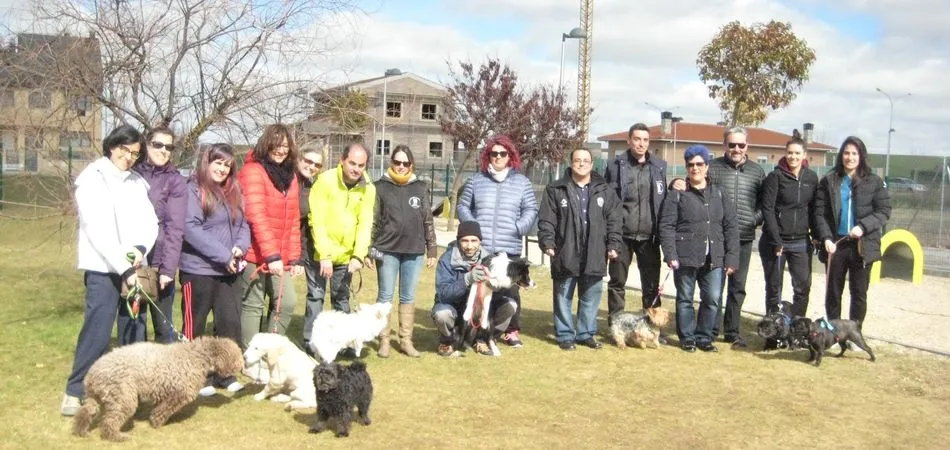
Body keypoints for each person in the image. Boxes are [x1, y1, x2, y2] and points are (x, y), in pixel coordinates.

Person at [62, 125, 159, 416]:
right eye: (124, 150)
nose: (128, 157)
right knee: (99, 330)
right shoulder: (92, 178)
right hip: (103, 268)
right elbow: (97, 229)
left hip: (133, 265)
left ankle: (131, 390)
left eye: (135, 153)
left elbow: (150, 222)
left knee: (133, 327)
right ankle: (75, 389)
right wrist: (123, 267)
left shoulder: (137, 183)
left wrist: (140, 249)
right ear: (112, 146)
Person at [179, 143, 250, 395]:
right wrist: (222, 255)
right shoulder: (193, 189)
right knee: (195, 325)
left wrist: (240, 248)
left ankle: (225, 374)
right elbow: (191, 228)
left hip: (229, 271)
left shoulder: (234, 190)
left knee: (229, 323)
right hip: (198, 269)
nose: (222, 168)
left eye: (227, 165)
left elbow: (243, 224)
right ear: (206, 163)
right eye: (218, 163)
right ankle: (197, 376)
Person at [457, 135, 538, 348]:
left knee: (511, 290)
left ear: (510, 156)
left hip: (508, 246)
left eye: (503, 153)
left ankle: (511, 331)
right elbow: (463, 206)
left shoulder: (522, 182)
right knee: (480, 292)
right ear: (488, 156)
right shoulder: (476, 180)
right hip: (482, 249)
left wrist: (518, 227)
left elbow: (531, 209)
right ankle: (475, 330)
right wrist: (473, 229)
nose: (499, 157)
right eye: (494, 153)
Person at [538, 148, 622, 350]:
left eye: (586, 160)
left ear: (592, 164)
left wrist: (613, 244)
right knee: (563, 297)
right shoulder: (556, 189)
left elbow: (614, 221)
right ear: (571, 163)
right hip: (565, 251)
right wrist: (547, 242)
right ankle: (565, 335)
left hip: (595, 252)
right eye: (577, 160)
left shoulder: (606, 190)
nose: (581, 164)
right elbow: (547, 220)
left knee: (590, 297)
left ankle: (585, 333)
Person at [659, 145, 738, 353]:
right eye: (691, 165)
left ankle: (704, 337)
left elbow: (730, 226)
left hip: (715, 256)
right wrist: (670, 254)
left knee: (712, 298)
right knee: (685, 298)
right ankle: (687, 338)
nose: (695, 168)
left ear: (706, 166)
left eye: (699, 164)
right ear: (686, 167)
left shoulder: (719, 193)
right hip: (685, 256)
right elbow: (666, 226)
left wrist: (731, 258)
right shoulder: (677, 194)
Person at [304, 143, 375, 349]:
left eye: (361, 165)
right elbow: (316, 219)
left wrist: (359, 256)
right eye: (352, 163)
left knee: (341, 299)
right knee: (316, 297)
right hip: (320, 252)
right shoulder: (324, 181)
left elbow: (365, 223)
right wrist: (324, 255)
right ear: (342, 161)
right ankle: (311, 342)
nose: (356, 169)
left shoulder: (368, 188)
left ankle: (343, 343)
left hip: (346, 256)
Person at [813, 136, 891, 326]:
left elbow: (883, 211)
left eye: (854, 153)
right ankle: (833, 330)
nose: (850, 157)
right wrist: (826, 238)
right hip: (835, 244)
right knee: (833, 291)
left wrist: (863, 227)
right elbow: (819, 212)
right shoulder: (829, 180)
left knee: (859, 292)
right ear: (841, 155)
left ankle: (855, 331)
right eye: (846, 153)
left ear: (861, 156)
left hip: (862, 246)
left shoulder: (874, 182)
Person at [237, 124, 303, 347]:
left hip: (279, 255)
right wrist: (272, 255)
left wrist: (293, 257)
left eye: (285, 146)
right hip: (254, 253)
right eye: (275, 145)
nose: (280, 150)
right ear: (266, 145)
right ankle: (250, 355)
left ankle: (270, 349)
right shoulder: (253, 171)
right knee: (253, 305)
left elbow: (293, 218)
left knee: (286, 302)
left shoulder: (290, 176)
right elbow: (256, 215)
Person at [370, 145, 437, 358]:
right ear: (391, 163)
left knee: (408, 296)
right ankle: (384, 340)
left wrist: (432, 248)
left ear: (411, 165)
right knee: (385, 296)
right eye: (397, 162)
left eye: (405, 163)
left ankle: (406, 340)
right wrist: (370, 249)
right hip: (386, 249)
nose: (400, 166)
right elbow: (374, 220)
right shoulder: (379, 186)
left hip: (414, 250)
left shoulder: (420, 187)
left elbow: (427, 219)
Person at [603, 123, 667, 333]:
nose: (641, 144)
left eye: (645, 140)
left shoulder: (659, 166)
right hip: (622, 234)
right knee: (617, 282)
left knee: (651, 286)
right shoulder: (615, 166)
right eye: (637, 139)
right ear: (629, 140)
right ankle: (616, 326)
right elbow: (608, 199)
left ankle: (652, 329)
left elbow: (663, 197)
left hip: (649, 237)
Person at [128, 126, 186, 344]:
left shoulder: (176, 181)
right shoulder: (132, 174)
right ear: (147, 144)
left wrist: (168, 269)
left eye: (169, 147)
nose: (163, 150)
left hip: (160, 262)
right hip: (133, 260)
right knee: (134, 325)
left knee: (163, 328)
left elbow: (175, 227)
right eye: (158, 145)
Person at [431, 221, 518, 357]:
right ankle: (448, 341)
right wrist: (466, 279)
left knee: (510, 305)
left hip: (481, 309)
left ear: (480, 241)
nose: (470, 246)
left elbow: (497, 297)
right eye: (465, 241)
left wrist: (499, 286)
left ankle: (483, 339)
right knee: (442, 314)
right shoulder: (446, 260)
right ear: (458, 240)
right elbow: (443, 294)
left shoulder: (491, 260)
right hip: (454, 307)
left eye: (474, 241)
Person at [760, 137, 819, 325]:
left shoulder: (811, 178)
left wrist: (816, 235)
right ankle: (773, 329)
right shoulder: (775, 177)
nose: (793, 157)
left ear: (804, 155)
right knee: (774, 288)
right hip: (776, 242)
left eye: (797, 153)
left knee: (802, 287)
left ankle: (797, 327)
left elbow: (814, 209)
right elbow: (767, 209)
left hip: (801, 242)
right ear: (785, 154)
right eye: (790, 153)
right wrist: (776, 239)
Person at [296, 146, 325, 343]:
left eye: (317, 164)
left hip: (304, 247)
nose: (312, 166)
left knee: (314, 293)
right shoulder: (288, 183)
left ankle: (311, 339)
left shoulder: (313, 186)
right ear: (299, 159)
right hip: (280, 247)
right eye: (308, 161)